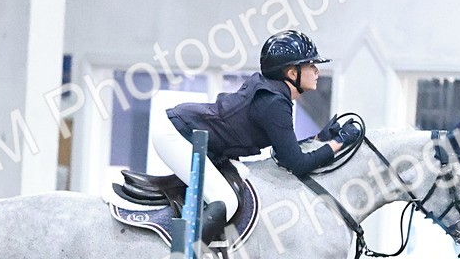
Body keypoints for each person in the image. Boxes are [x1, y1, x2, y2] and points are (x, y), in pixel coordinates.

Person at [150, 30, 362, 244]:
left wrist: (319, 139)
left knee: (240, 180)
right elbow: (297, 164)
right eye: (310, 65)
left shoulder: (274, 94)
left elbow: (284, 151)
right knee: (225, 200)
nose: (317, 70)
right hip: (176, 134)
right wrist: (339, 142)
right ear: (292, 73)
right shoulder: (274, 102)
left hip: (193, 135)